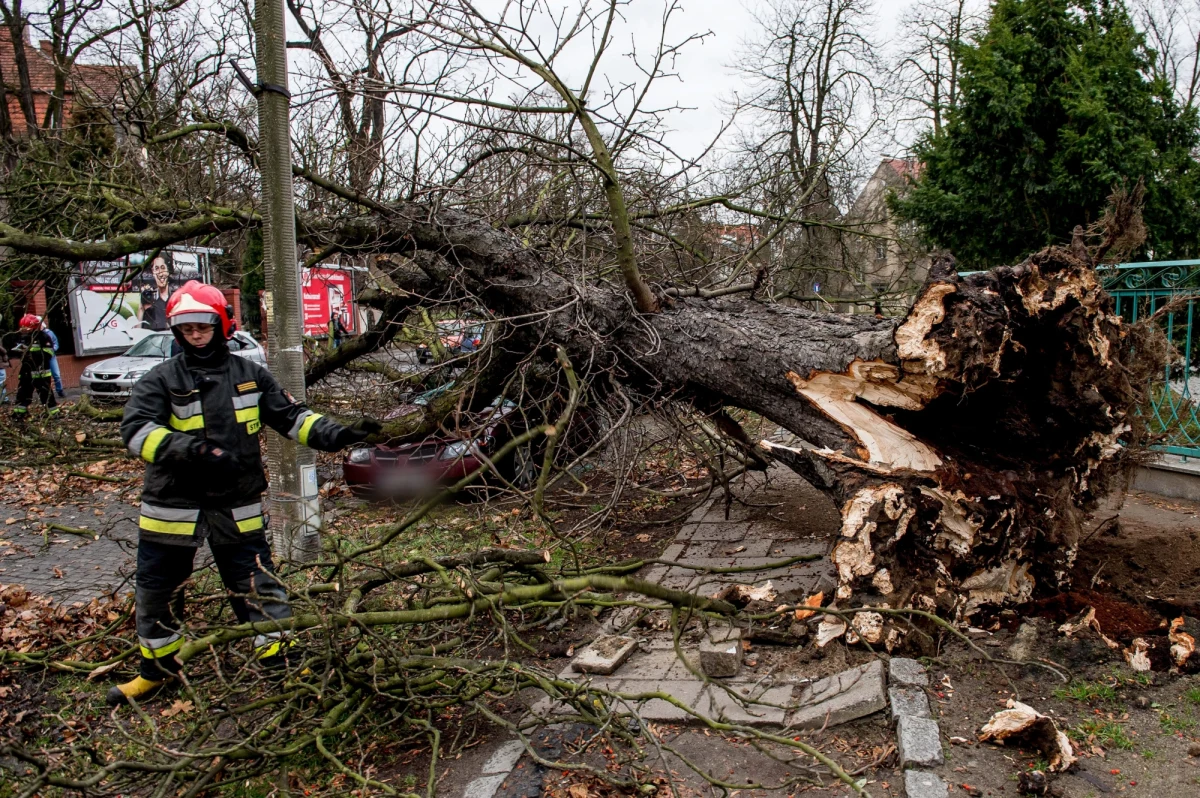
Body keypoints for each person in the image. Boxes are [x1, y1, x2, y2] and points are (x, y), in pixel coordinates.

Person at [110, 281, 381, 706]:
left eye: (202, 327)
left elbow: (292, 417)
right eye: (187, 329)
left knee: (258, 583)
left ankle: (280, 663)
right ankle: (156, 672)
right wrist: (192, 449)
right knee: (158, 590)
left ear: (221, 325)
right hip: (172, 505)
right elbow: (136, 431)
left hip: (237, 501)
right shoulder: (159, 379)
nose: (195, 336)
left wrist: (337, 434)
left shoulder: (250, 376)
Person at [11, 314, 57, 419]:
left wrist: (31, 353)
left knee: (45, 393)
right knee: (23, 392)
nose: (24, 330)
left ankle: (53, 413)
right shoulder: (23, 337)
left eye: (26, 328)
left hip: (40, 371)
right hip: (26, 371)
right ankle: (19, 412)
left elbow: (48, 353)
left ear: (34, 327)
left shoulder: (44, 337)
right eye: (22, 328)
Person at [138, 257, 172, 331]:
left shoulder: (175, 296)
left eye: (163, 268)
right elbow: (139, 327)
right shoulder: (147, 296)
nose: (160, 272)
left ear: (168, 272)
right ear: (153, 273)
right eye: (156, 269)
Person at [42, 319, 65, 398]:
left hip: (51, 357)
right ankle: (47, 392)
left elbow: (55, 343)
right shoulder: (36, 334)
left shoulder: (49, 333)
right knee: (45, 375)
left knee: (56, 374)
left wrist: (52, 350)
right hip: (42, 358)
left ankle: (60, 390)